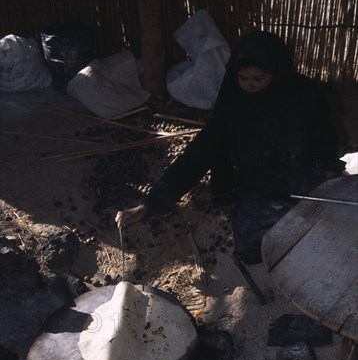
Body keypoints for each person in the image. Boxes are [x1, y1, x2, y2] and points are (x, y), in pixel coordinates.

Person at [115, 31, 345, 264]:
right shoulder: (234, 103)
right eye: (244, 78)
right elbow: (198, 155)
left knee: (338, 215)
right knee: (251, 248)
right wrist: (149, 203)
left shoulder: (304, 95)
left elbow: (324, 136)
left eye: (258, 78)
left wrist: (327, 167)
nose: (250, 85)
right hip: (260, 185)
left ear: (276, 73)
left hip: (301, 175)